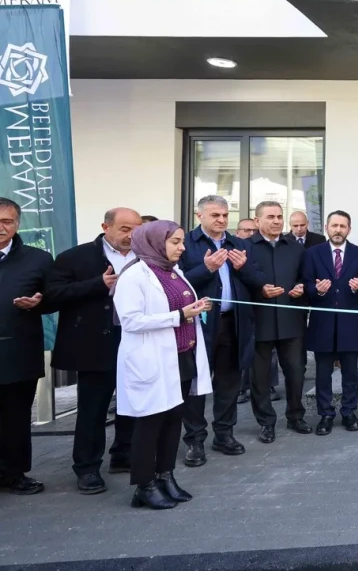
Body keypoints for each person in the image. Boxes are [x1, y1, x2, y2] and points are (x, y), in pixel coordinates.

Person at [112, 220, 213, 510]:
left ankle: (165, 476)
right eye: (175, 242)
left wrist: (195, 308)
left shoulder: (173, 271)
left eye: (182, 242)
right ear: (155, 242)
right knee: (150, 424)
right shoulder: (134, 275)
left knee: (172, 421)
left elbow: (180, 306)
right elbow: (131, 321)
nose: (182, 248)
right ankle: (144, 485)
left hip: (181, 356)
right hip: (152, 360)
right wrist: (180, 315)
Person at [46, 207, 142, 494]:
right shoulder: (75, 257)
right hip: (94, 343)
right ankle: (87, 468)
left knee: (133, 402)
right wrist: (97, 284)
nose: (131, 235)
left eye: (136, 229)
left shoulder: (146, 256)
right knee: (93, 409)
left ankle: (124, 454)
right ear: (105, 227)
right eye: (125, 229)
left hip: (136, 340)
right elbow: (53, 296)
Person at [179, 195, 263, 468]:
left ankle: (224, 434)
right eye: (215, 215)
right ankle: (195, 440)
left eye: (225, 215)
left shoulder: (239, 244)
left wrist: (243, 267)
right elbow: (176, 285)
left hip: (233, 322)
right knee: (196, 383)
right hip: (199, 325)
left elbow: (259, 282)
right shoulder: (186, 244)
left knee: (229, 381)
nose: (222, 220)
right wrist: (206, 269)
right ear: (199, 215)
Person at [0, 197, 52, 495]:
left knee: (16, 418)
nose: (1, 227)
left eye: (7, 221)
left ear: (18, 224)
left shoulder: (38, 259)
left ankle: (14, 474)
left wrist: (39, 303)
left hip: (19, 352)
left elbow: (56, 297)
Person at [246, 202, 310, 441]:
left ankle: (296, 416)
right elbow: (240, 282)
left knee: (296, 372)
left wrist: (301, 287)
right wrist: (259, 291)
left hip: (290, 319)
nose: (276, 221)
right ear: (257, 220)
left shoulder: (295, 248)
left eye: (279, 216)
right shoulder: (245, 247)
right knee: (260, 377)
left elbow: (305, 277)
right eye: (270, 217)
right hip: (259, 321)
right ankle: (266, 422)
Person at [302, 210, 358, 435]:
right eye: (334, 226)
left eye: (342, 226)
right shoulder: (312, 254)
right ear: (326, 228)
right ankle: (326, 415)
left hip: (350, 323)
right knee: (323, 374)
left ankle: (349, 412)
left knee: (351, 373)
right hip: (322, 324)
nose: (338, 230)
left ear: (349, 229)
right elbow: (306, 285)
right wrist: (317, 290)